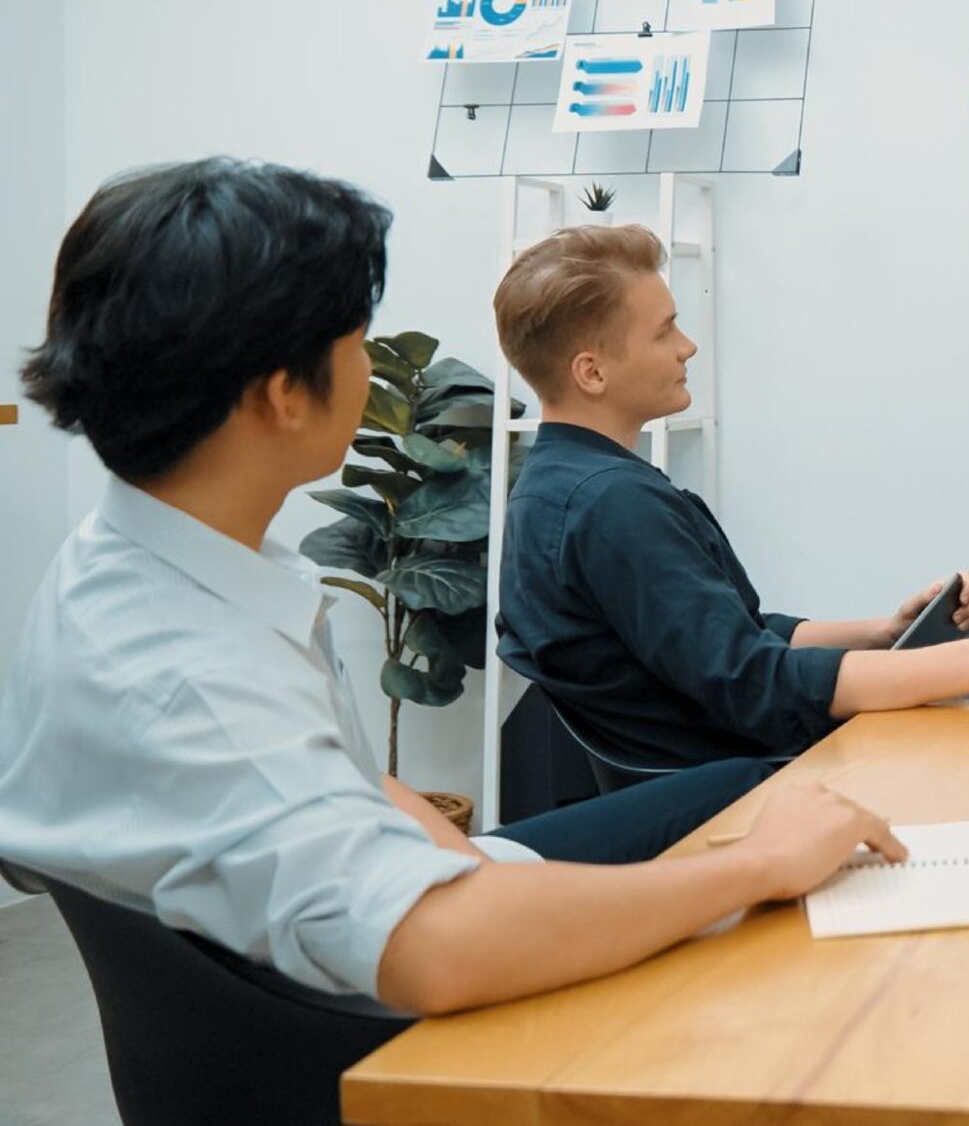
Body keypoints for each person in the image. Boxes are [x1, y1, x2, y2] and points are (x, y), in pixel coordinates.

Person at [0, 158, 903, 1015]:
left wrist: (464, 860)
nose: (370, 370)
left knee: (750, 794)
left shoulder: (130, 566)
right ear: (283, 394)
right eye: (356, 343)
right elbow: (437, 948)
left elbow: (346, 780)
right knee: (786, 849)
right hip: (384, 1018)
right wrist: (757, 866)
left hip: (397, 912)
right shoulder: (194, 680)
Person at [493, 224, 969, 771]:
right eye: (664, 332)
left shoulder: (558, 487)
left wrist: (883, 633)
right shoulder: (611, 506)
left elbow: (729, 638)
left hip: (740, 746)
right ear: (592, 372)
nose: (687, 346)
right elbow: (757, 683)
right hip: (762, 772)